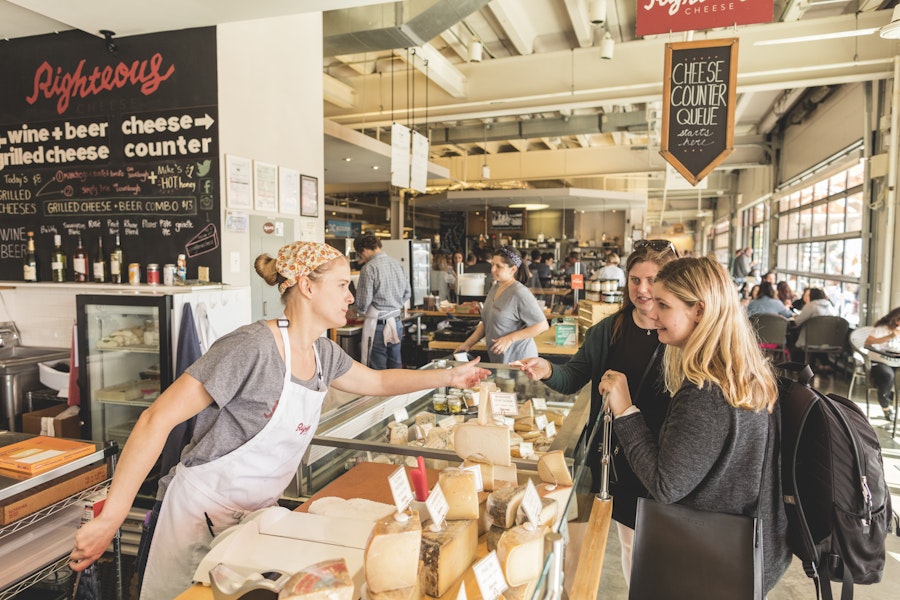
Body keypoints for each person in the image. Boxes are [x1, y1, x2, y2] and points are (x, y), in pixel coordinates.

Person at [68, 242, 489, 599]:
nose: (351, 297)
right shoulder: (251, 347)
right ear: (306, 286)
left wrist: (451, 375)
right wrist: (112, 518)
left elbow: (377, 381)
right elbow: (154, 420)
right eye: (342, 285)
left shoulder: (323, 353)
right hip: (194, 516)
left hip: (254, 519)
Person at [597, 256, 791, 594]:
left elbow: (666, 484)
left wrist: (626, 410)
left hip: (708, 561)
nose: (651, 312)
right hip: (748, 550)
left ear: (699, 310)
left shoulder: (707, 392)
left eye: (663, 304)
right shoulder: (743, 372)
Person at [518, 241, 677, 585]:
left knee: (659, 550)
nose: (643, 290)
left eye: (652, 280)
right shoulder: (607, 331)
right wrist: (547, 369)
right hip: (614, 459)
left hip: (663, 461)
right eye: (635, 280)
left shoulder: (679, 334)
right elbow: (574, 375)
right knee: (630, 542)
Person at [455, 246, 548, 363]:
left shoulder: (519, 293)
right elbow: (487, 322)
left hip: (521, 362)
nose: (493, 269)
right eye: (493, 264)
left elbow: (542, 325)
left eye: (498, 266)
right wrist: (467, 344)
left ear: (513, 270)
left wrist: (509, 339)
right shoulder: (495, 288)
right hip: (499, 360)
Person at [353, 234, 410, 369]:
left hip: (378, 326)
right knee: (395, 365)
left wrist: (354, 311)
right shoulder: (397, 264)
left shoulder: (369, 268)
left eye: (360, 255)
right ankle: (399, 390)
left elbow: (362, 303)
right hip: (396, 322)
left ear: (364, 250)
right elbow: (408, 293)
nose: (361, 259)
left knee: (378, 371)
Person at [864, 307, 900, 422]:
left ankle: (894, 401)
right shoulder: (881, 329)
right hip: (880, 361)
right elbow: (868, 342)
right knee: (887, 375)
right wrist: (889, 337)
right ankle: (885, 405)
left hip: (897, 361)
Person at [792, 287, 837, 361]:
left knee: (793, 339)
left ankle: (796, 366)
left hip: (810, 341)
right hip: (828, 341)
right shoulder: (830, 307)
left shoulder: (811, 306)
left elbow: (797, 322)